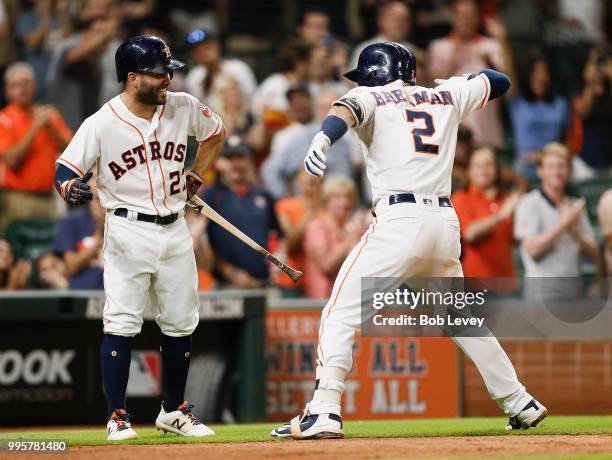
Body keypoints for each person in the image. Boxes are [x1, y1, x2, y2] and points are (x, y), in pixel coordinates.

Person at [272, 42, 547, 440]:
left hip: (399, 220)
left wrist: (322, 140)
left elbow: (342, 112)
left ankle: (325, 409)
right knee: (460, 319)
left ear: (375, 73)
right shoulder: (445, 94)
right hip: (443, 224)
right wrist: (457, 83)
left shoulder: (371, 94)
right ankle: (519, 400)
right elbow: (499, 81)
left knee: (339, 311)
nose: (361, 81)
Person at [54, 35, 225, 441]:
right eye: (160, 72)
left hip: (174, 225)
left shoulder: (182, 105)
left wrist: (195, 172)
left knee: (181, 322)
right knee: (122, 323)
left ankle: (174, 410)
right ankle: (117, 416)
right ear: (133, 78)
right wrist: (70, 189)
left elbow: (216, 132)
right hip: (127, 228)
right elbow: (65, 171)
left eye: (169, 71)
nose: (168, 78)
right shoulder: (101, 122)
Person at [0, 62, 72, 236]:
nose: (22, 89)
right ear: (7, 91)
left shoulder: (49, 115)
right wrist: (35, 128)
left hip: (49, 198)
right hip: (18, 199)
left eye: (26, 83)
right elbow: (11, 160)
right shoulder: (4, 119)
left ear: (35, 86)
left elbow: (72, 150)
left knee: (51, 251)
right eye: (15, 85)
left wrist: (51, 128)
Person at [427, 0, 512, 148]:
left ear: (478, 18)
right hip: (449, 137)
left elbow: (512, 91)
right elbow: (428, 91)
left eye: (471, 15)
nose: (466, 20)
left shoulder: (491, 46)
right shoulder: (438, 47)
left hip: (486, 135)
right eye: (462, 15)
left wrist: (502, 42)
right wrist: (451, 62)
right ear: (453, 17)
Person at [202, 135, 282, 288]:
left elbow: (279, 234)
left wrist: (279, 257)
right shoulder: (212, 195)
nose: (235, 164)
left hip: (264, 283)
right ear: (221, 163)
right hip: (227, 285)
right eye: (230, 158)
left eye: (240, 158)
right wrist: (231, 272)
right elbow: (203, 242)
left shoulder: (263, 195)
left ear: (248, 161)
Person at [514, 143, 598, 277]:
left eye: (561, 166)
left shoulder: (575, 206)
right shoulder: (529, 203)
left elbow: (595, 255)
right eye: (551, 166)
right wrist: (563, 225)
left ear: (569, 170)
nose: (557, 172)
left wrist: (576, 233)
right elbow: (533, 251)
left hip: (573, 289)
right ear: (540, 171)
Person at [262, 87, 360, 200]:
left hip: (340, 204)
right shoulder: (302, 138)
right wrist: (287, 200)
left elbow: (349, 176)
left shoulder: (349, 138)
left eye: (334, 108)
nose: (330, 113)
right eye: (323, 107)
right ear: (315, 109)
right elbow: (270, 170)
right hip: (310, 208)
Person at [452, 148, 520, 278]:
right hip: (477, 281)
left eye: (489, 164)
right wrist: (501, 215)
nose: (484, 170)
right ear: (469, 170)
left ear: (496, 169)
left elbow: (516, 239)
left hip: (507, 280)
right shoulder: (461, 198)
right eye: (478, 165)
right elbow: (470, 234)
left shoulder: (505, 198)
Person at [303, 177, 369, 299]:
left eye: (348, 197)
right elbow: (327, 266)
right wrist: (353, 235)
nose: (344, 202)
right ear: (326, 199)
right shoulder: (316, 227)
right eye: (337, 197)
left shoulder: (352, 226)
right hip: (322, 301)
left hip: (350, 297)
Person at [508, 58, 572, 180]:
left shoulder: (560, 103)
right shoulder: (517, 100)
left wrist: (564, 158)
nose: (541, 77)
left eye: (544, 72)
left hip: (554, 165)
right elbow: (507, 75)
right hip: (525, 165)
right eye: (536, 72)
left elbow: (568, 137)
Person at [53, 170, 105, 289]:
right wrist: (100, 240)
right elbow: (71, 266)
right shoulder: (71, 221)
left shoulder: (123, 219)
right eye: (95, 177)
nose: (100, 182)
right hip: (84, 293)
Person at [274, 169, 322, 296]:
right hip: (292, 280)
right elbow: (291, 243)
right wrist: (311, 211)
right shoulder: (285, 205)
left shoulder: (329, 208)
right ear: (297, 179)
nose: (311, 178)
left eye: (317, 173)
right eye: (306, 173)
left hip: (321, 280)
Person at [349, 1, 425, 80]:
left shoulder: (415, 52)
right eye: (396, 19)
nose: (400, 24)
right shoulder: (365, 49)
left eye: (405, 20)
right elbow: (355, 84)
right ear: (381, 21)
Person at [185, 29, 257, 105]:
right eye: (199, 49)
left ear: (217, 46)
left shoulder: (238, 68)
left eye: (208, 46)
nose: (205, 51)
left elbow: (251, 101)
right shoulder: (194, 76)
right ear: (194, 55)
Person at [572, 47, 612, 181]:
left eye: (601, 61)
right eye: (593, 62)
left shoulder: (608, 88)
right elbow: (583, 111)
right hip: (585, 163)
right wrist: (590, 82)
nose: (598, 67)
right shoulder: (578, 87)